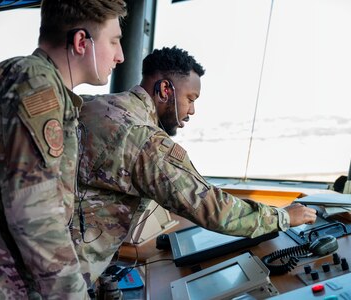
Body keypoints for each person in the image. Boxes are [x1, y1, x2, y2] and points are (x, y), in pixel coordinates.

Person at [74, 46, 317, 287]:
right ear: (165, 89)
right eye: (190, 98)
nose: (192, 110)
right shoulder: (146, 141)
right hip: (67, 276)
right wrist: (283, 217)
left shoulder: (89, 105)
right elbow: (212, 208)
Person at [0, 0, 127, 299]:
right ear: (80, 42)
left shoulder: (24, 75)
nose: (120, 56)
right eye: (113, 41)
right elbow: (34, 212)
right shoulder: (37, 84)